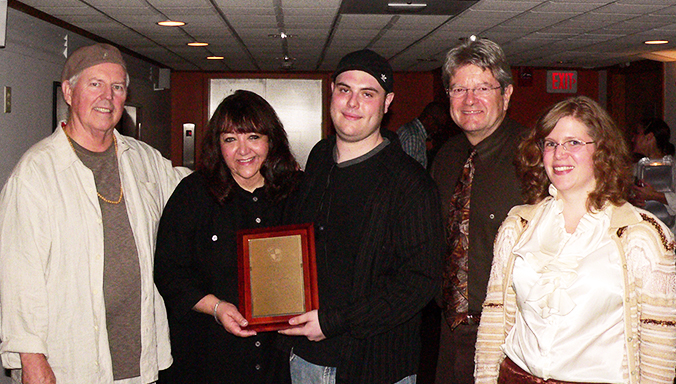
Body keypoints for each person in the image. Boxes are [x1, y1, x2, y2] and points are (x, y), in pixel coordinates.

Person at [0, 43, 189, 384]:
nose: (108, 96)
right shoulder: (37, 172)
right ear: (70, 92)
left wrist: (248, 167)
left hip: (138, 356)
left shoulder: (142, 158)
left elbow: (194, 193)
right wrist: (31, 358)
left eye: (117, 87)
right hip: (68, 361)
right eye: (95, 84)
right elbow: (19, 274)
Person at [475, 96, 676, 384]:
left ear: (602, 151)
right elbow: (494, 323)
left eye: (574, 143)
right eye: (551, 143)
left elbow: (659, 351)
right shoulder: (517, 226)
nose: (559, 154)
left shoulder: (641, 236)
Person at [278, 49, 444, 384]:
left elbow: (418, 282)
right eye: (344, 90)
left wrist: (335, 322)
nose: (352, 103)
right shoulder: (320, 157)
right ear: (332, 93)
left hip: (375, 366)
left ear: (387, 103)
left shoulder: (410, 183)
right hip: (305, 360)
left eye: (367, 94)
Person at [154, 90, 301, 384]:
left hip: (282, 359)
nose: (243, 150)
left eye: (253, 137)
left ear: (271, 141)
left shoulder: (297, 191)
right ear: (217, 146)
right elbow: (168, 272)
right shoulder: (193, 194)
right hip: (210, 356)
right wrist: (217, 308)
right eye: (230, 140)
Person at [430, 37, 526, 384]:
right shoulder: (445, 158)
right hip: (449, 330)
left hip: (512, 334)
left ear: (507, 93)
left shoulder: (535, 156)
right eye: (458, 89)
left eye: (483, 87)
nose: (469, 100)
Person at [631, 118, 676, 232]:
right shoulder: (633, 169)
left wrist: (655, 196)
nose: (632, 139)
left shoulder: (673, 168)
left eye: (637, 133)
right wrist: (633, 202)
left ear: (649, 137)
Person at [397, 100, 454, 169]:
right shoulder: (413, 137)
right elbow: (408, 173)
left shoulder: (411, 130)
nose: (437, 130)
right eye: (439, 125)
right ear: (429, 119)